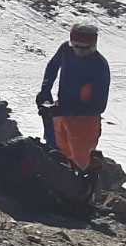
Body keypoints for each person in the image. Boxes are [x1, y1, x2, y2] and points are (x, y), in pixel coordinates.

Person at [37, 22, 110, 174]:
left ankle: (83, 191)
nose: (79, 51)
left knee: (81, 164)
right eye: (75, 45)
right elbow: (52, 67)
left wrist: (62, 110)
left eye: (85, 47)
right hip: (61, 115)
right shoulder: (66, 50)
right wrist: (45, 89)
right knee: (60, 157)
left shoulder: (99, 66)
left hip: (85, 124)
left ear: (93, 45)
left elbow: (98, 106)